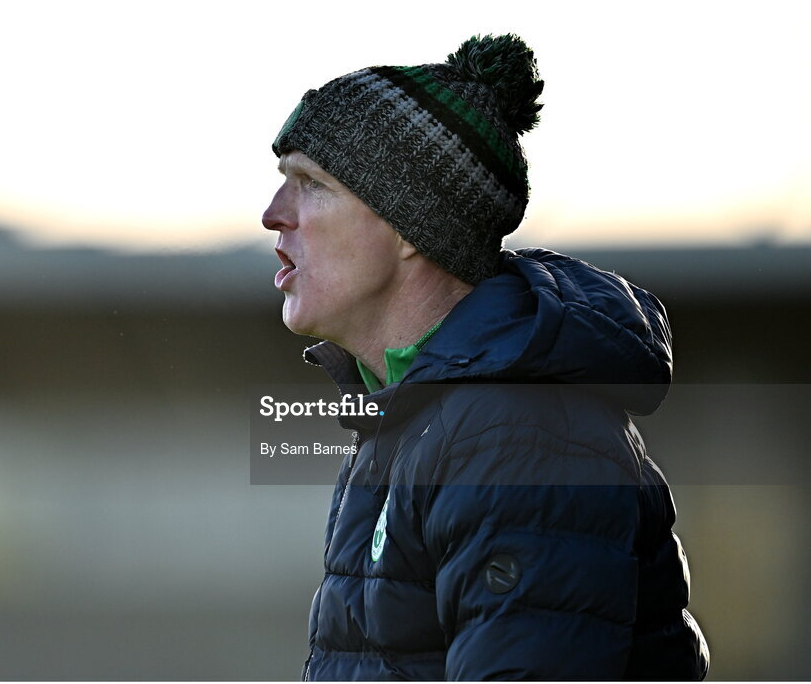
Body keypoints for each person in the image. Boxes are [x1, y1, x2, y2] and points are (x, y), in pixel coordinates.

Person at [261, 34, 709, 680]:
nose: (274, 215)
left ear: (409, 225)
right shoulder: (419, 415)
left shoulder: (515, 431)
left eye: (312, 183)